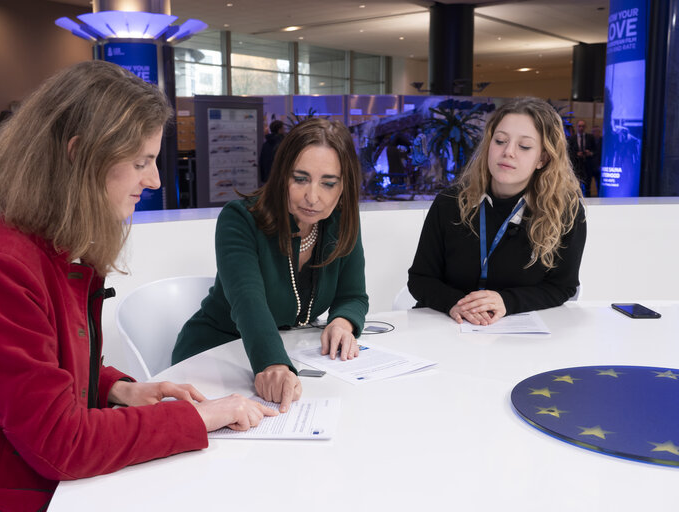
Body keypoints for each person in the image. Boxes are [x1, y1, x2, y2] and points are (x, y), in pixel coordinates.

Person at [0, 61, 274, 512]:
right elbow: (60, 443)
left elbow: (47, 368)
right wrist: (199, 416)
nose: (155, 179)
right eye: (141, 162)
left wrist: (119, 389)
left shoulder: (53, 247)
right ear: (80, 154)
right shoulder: (1, 269)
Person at [173, 118, 368, 412]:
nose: (313, 197)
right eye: (300, 179)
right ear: (281, 175)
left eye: (328, 183)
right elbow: (248, 303)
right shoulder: (240, 219)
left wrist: (342, 323)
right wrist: (273, 363)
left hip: (285, 356)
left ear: (344, 186)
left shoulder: (341, 221)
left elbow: (353, 295)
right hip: (213, 357)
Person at [408, 97, 586, 325]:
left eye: (524, 146)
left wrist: (507, 301)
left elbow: (562, 287)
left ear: (542, 158)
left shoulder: (566, 211)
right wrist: (456, 304)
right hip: (448, 328)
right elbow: (420, 279)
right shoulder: (449, 202)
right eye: (500, 141)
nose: (508, 152)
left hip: (519, 336)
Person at [567, 119, 596, 196]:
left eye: (583, 126)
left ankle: (589, 203)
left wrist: (590, 153)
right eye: (579, 126)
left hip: (588, 165)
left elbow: (595, 150)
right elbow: (569, 152)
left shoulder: (590, 137)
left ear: (585, 127)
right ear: (577, 127)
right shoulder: (572, 138)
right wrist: (577, 154)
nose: (581, 128)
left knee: (587, 186)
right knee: (576, 186)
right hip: (577, 166)